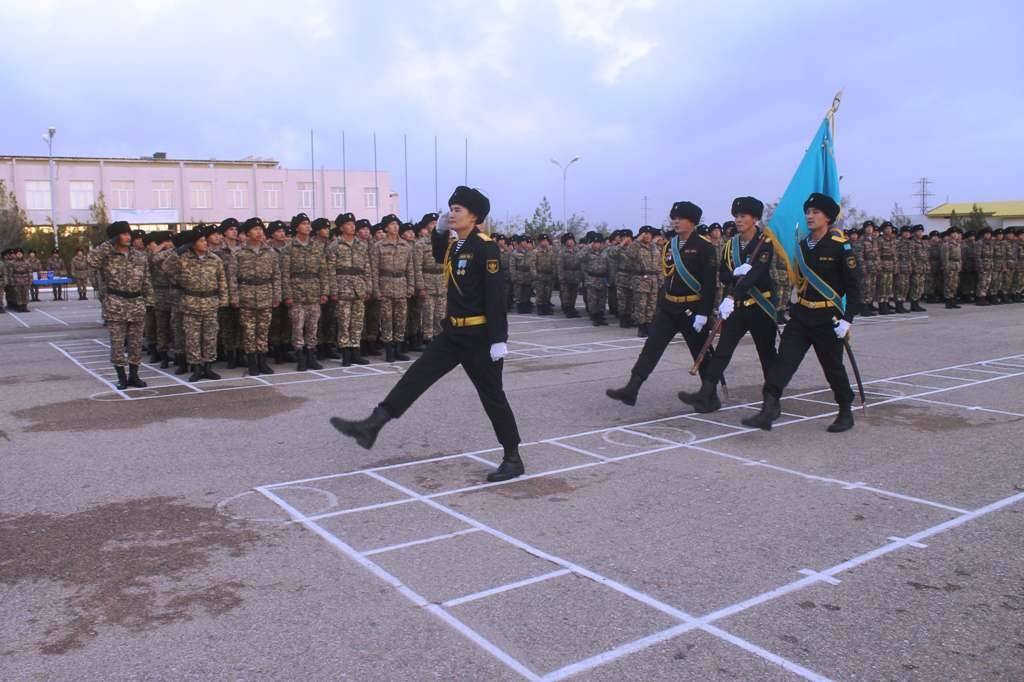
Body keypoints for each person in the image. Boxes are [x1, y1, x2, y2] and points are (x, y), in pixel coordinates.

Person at [331, 186, 523, 483]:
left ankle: (513, 457)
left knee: (493, 398)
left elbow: (496, 295)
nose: (451, 214)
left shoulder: (486, 247)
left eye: (458, 210)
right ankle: (374, 424)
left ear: (475, 216)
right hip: (452, 333)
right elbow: (438, 254)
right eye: (451, 209)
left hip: (479, 336)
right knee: (416, 376)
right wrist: (439, 232)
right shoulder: (455, 245)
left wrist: (499, 339)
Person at [742, 193, 860, 433]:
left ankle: (845, 410)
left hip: (829, 318)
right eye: (808, 212)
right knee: (783, 363)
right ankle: (768, 409)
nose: (810, 216)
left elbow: (855, 286)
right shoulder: (803, 245)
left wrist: (847, 319)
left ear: (827, 217)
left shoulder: (840, 246)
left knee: (833, 367)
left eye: (815, 212)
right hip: (802, 315)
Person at [606, 201, 716, 406]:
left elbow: (710, 284)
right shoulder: (669, 245)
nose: (675, 222)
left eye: (680, 218)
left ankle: (710, 395)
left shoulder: (705, 247)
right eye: (673, 218)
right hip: (669, 307)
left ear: (692, 221)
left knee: (700, 351)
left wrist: (704, 313)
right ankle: (632, 388)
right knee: (651, 347)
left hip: (691, 308)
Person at [680, 197, 777, 413]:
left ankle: (771, 402)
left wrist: (734, 294)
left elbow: (757, 274)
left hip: (760, 306)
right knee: (723, 350)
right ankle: (706, 392)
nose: (739, 220)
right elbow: (722, 274)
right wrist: (734, 273)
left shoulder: (765, 243)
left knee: (767, 355)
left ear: (755, 219)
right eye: (736, 216)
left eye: (743, 216)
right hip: (736, 308)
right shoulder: (729, 245)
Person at [88, 221, 153, 389]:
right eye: (123, 234)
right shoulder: (107, 255)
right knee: (117, 343)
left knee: (135, 343)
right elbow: (91, 260)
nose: (127, 237)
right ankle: (121, 376)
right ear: (115, 237)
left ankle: (134, 375)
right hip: (116, 304)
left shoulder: (139, 256)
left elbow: (146, 280)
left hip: (136, 303)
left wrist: (149, 301)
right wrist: (108, 244)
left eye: (128, 233)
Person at [163, 227, 229, 381]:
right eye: (201, 241)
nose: (205, 243)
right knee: (192, 337)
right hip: (190, 303)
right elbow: (166, 268)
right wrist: (177, 252)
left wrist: (223, 300)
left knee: (210, 336)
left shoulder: (215, 259)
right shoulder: (183, 258)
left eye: (205, 240)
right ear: (192, 244)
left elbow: (222, 281)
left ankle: (208, 367)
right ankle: (196, 368)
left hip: (210, 302)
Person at [235, 217, 281, 375]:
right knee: (249, 331)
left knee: (263, 330)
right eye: (255, 229)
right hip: (246, 294)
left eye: (261, 229)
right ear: (247, 233)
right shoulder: (239, 252)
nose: (259, 232)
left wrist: (277, 296)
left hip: (265, 294)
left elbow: (276, 276)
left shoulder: (270, 252)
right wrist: (234, 298)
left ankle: (263, 361)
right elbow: (232, 277)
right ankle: (252, 362)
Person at [328, 212, 371, 367]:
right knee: (344, 321)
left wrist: (368, 287)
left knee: (357, 321)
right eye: (348, 224)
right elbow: (330, 270)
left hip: (359, 286)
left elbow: (367, 268)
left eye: (353, 223)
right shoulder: (335, 245)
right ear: (341, 227)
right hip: (342, 287)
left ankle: (355, 352)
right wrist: (333, 290)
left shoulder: (361, 245)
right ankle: (345, 353)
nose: (352, 226)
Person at [371, 214, 415, 362]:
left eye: (397, 224)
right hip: (385, 285)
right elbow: (374, 269)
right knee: (386, 320)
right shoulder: (378, 246)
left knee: (401, 319)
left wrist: (411, 286)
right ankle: (389, 350)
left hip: (401, 285)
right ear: (385, 227)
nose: (395, 227)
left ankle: (398, 349)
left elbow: (410, 268)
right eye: (392, 224)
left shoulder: (406, 245)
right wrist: (376, 289)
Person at [211, 218, 242, 368]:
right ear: (224, 232)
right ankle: (229, 355)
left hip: (243, 293)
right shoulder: (217, 252)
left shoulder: (243, 250)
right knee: (227, 325)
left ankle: (241, 353)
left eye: (236, 229)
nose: (234, 231)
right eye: (231, 229)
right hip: (224, 293)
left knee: (242, 325)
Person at [413, 212, 445, 346]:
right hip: (427, 280)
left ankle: (440, 338)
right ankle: (427, 339)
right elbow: (417, 266)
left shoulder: (445, 242)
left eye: (436, 223)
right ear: (426, 226)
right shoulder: (421, 244)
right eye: (432, 223)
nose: (435, 225)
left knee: (441, 313)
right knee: (427, 313)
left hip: (442, 280)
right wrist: (420, 286)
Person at [627, 226, 661, 336]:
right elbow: (629, 253)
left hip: (653, 280)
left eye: (649, 234)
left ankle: (649, 325)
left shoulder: (654, 247)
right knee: (641, 305)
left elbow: (659, 265)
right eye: (644, 233)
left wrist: (661, 279)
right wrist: (637, 241)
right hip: (641, 279)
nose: (647, 236)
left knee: (652, 305)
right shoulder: (636, 247)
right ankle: (641, 327)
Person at [580, 231, 609, 325]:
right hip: (591, 278)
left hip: (602, 279)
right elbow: (578, 257)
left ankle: (601, 316)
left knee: (602, 299)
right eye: (595, 243)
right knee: (592, 300)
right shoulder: (587, 252)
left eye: (599, 243)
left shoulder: (605, 252)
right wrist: (588, 247)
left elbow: (609, 265)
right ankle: (594, 316)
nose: (597, 245)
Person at [556, 232, 583, 317]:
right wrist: (561, 278)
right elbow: (560, 266)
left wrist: (581, 276)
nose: (570, 242)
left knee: (574, 294)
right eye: (568, 240)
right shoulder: (562, 252)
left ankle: (572, 308)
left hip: (575, 275)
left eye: (571, 240)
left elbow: (581, 264)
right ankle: (567, 309)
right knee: (566, 294)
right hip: (566, 274)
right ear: (565, 242)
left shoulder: (577, 251)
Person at [530, 234, 556, 315]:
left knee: (548, 293)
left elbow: (554, 263)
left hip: (549, 275)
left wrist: (554, 274)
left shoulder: (552, 251)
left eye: (546, 241)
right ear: (539, 242)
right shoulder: (535, 252)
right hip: (539, 275)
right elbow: (532, 265)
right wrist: (535, 275)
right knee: (540, 293)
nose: (545, 243)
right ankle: (540, 308)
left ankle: (546, 307)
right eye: (543, 241)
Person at [940, 227, 963, 308]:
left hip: (956, 265)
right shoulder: (946, 245)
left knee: (955, 284)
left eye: (956, 233)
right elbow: (944, 257)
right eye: (953, 233)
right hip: (950, 265)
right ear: (950, 235)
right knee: (948, 284)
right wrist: (946, 267)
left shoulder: (957, 244)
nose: (955, 235)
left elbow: (960, 257)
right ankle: (948, 301)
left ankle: (953, 300)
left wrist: (960, 266)